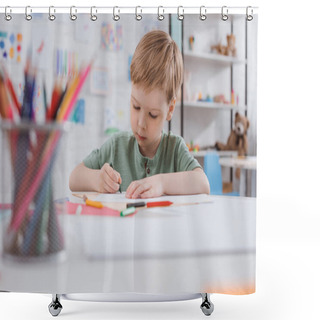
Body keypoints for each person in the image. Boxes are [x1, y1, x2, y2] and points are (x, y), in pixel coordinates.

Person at [69, 30, 210, 199]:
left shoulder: (174, 149)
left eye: (152, 114)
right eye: (136, 107)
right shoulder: (116, 146)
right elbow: (74, 178)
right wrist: (97, 180)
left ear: (170, 109)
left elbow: (203, 184)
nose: (141, 123)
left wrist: (162, 183)